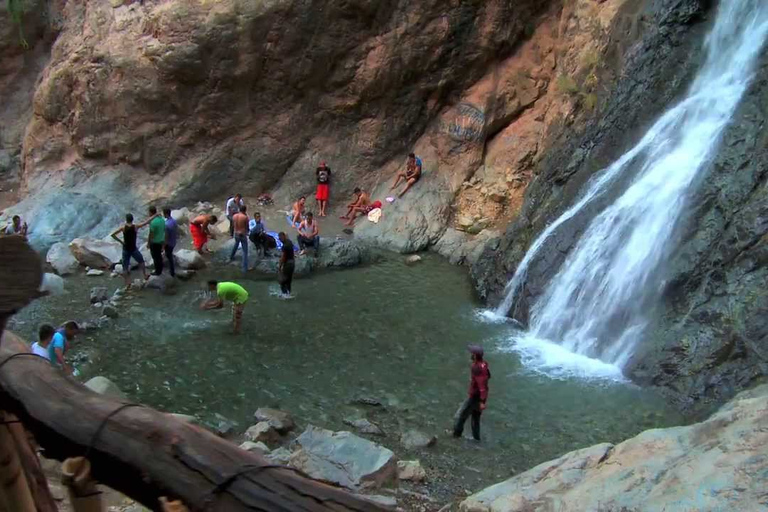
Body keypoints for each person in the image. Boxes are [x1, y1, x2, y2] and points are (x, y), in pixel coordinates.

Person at [453, 345, 491, 441]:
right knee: (475, 419)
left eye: (472, 353)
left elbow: (482, 386)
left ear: (475, 355)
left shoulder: (476, 367)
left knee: (459, 416)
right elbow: (487, 378)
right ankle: (476, 440)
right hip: (481, 397)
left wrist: (481, 402)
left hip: (475, 397)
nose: (470, 355)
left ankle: (455, 437)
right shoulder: (484, 364)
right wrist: (483, 399)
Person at [111, 213, 149, 286]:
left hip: (125, 249)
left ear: (126, 220)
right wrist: (155, 215)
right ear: (132, 219)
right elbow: (146, 222)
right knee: (141, 261)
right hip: (133, 249)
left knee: (125, 266)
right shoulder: (135, 227)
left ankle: (127, 281)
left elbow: (113, 235)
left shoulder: (123, 228)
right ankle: (145, 275)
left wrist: (121, 242)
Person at [229, 205, 250, 273]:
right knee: (245, 251)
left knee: (236, 244)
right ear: (245, 210)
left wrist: (232, 234)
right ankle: (244, 269)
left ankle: (231, 257)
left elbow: (232, 225)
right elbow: (247, 227)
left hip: (236, 233)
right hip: (242, 234)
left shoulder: (234, 216)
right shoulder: (245, 217)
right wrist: (247, 232)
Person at [147, 206, 166, 276]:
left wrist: (148, 243)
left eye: (149, 212)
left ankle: (158, 271)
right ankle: (161, 268)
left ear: (151, 213)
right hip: (161, 240)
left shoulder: (153, 222)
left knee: (155, 257)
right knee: (159, 256)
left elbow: (151, 234)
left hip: (154, 242)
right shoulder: (162, 219)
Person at [278, 232, 295, 298]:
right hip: (292, 263)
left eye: (280, 238)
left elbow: (283, 257)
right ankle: (289, 294)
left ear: (283, 237)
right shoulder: (289, 242)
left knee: (282, 281)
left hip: (288, 264)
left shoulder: (285, 246)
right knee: (288, 281)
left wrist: (280, 266)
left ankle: (284, 295)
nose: (280, 240)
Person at [163, 207, 178, 278]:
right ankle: (172, 269)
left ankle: (172, 271)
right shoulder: (174, 221)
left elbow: (166, 237)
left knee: (169, 256)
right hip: (173, 241)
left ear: (165, 214)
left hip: (169, 243)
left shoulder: (166, 224)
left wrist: (163, 246)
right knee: (169, 254)